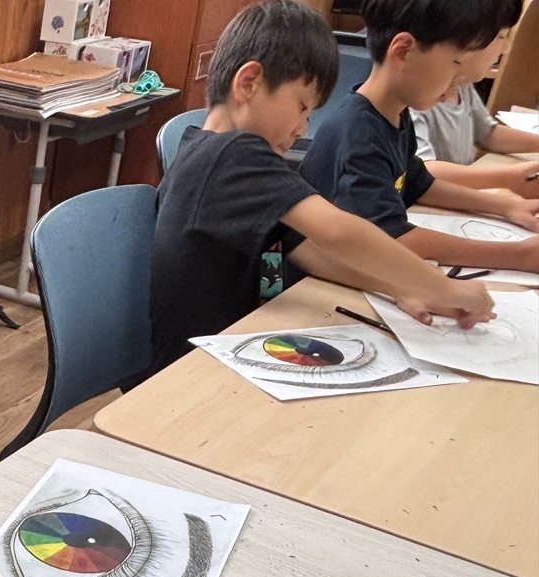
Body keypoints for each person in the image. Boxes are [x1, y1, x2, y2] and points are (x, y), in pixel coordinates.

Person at [147, 0, 493, 376]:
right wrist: (445, 288)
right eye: (301, 107)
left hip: (235, 348)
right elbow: (339, 233)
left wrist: (401, 287)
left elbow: (310, 252)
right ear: (249, 83)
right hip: (194, 371)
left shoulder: (214, 154)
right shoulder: (234, 155)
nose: (303, 129)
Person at [300, 0, 539, 274]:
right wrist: (519, 255)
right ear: (403, 50)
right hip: (312, 284)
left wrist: (504, 204)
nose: (458, 80)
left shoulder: (394, 114)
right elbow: (391, 240)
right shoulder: (359, 134)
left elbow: (418, 183)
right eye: (456, 63)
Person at [413, 22, 539, 199]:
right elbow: (423, 173)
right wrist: (507, 179)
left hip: (459, 196)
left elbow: (487, 134)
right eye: (501, 37)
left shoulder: (462, 85)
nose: (506, 49)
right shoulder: (414, 99)